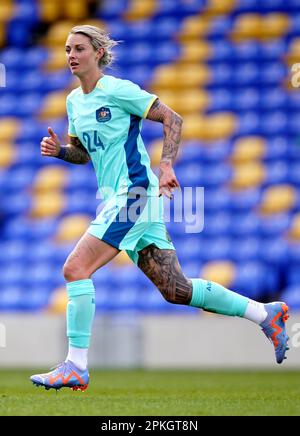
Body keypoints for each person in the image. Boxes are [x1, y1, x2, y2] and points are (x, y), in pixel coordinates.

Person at [30, 25, 289, 391]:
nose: (71, 55)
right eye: (67, 49)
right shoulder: (74, 102)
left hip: (134, 195)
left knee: (75, 269)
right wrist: (59, 152)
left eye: (79, 49)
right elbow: (84, 153)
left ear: (98, 54)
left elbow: (173, 118)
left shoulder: (119, 91)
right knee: (176, 290)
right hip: (121, 199)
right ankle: (265, 313)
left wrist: (166, 165)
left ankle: (76, 364)